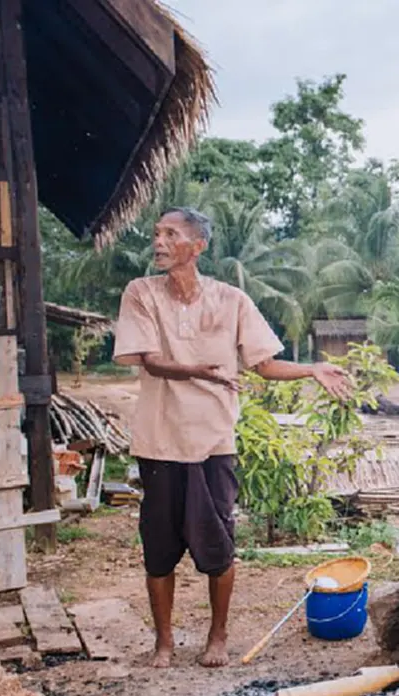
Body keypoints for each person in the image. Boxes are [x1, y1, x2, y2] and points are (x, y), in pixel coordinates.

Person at [112, 207, 352, 668]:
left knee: (218, 545)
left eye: (170, 234)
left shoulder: (231, 300)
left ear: (197, 246)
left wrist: (312, 369)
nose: (158, 242)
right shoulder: (141, 292)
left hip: (213, 444)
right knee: (158, 549)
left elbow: (263, 363)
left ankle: (217, 637)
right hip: (159, 442)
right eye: (156, 234)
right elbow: (149, 360)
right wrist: (202, 372)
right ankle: (164, 643)